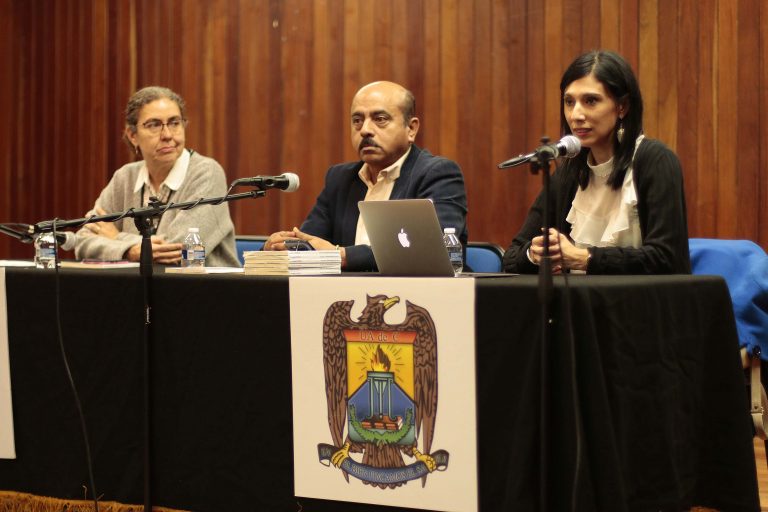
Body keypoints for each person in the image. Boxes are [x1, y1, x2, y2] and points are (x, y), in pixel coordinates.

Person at [503, 50, 690, 275]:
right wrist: (535, 255)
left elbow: (665, 259)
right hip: (581, 307)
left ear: (622, 107)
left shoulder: (655, 161)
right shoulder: (569, 174)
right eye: (569, 102)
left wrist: (584, 258)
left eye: (590, 101)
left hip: (642, 306)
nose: (576, 115)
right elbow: (511, 257)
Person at [264, 81, 468, 271]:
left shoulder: (437, 174)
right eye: (357, 121)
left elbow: (429, 248)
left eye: (380, 119)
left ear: (411, 129)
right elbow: (311, 241)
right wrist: (288, 245)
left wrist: (341, 255)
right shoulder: (340, 178)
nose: (365, 130)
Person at [75, 86, 239, 267]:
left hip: (203, 291)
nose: (167, 135)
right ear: (133, 136)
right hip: (140, 291)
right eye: (154, 125)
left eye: (174, 123)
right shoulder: (125, 177)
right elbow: (82, 240)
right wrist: (130, 250)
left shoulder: (206, 173)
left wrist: (116, 237)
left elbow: (180, 251)